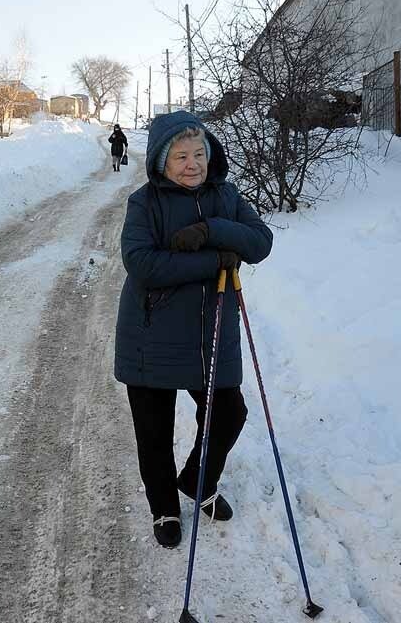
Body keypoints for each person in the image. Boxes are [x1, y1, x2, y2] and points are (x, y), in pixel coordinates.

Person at [114, 111, 273, 548]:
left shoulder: (226, 196)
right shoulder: (144, 203)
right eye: (181, 156)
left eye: (199, 154)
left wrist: (212, 229)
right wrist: (215, 259)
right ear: (162, 161)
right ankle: (164, 507)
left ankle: (198, 481)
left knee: (228, 413)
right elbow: (142, 263)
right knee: (154, 431)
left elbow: (260, 242)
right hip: (151, 334)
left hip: (211, 333)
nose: (192, 164)